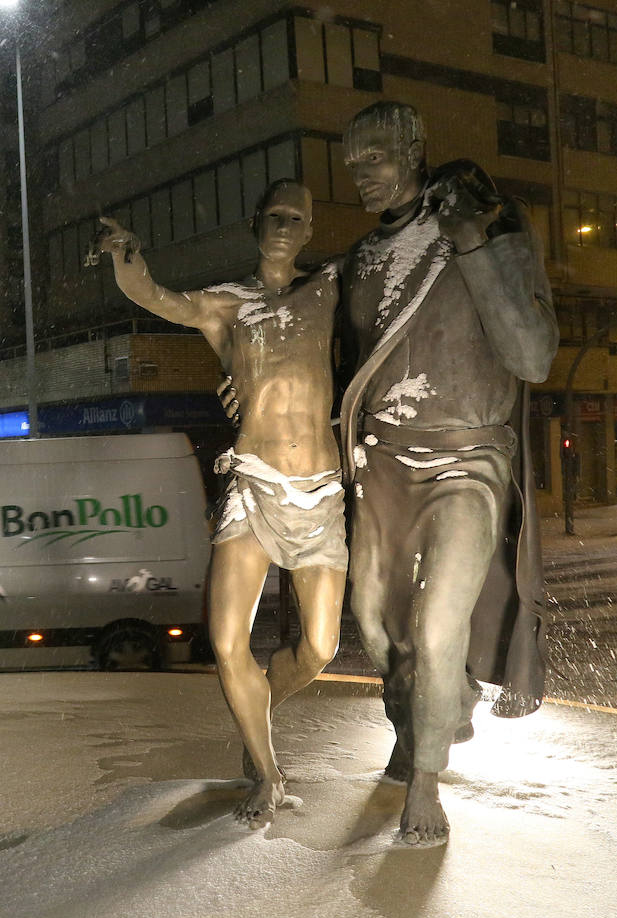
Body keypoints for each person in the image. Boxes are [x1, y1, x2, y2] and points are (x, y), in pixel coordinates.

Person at [337, 101, 558, 844]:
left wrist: (471, 241)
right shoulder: (362, 257)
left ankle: (424, 779)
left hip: (467, 457)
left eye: (374, 158)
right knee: (374, 623)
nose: (360, 176)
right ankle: (426, 712)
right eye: (352, 164)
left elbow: (532, 355)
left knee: (435, 628)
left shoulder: (493, 223)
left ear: (413, 145)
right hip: (383, 461)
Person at [97, 180, 346, 826]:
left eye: (297, 217)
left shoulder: (327, 291)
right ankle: (267, 772)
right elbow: (157, 299)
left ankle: (255, 711)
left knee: (320, 647)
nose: (285, 226)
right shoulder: (226, 306)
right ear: (255, 222)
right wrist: (128, 258)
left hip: (320, 492)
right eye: (274, 216)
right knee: (226, 638)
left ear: (311, 228)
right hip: (255, 485)